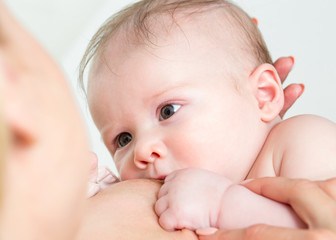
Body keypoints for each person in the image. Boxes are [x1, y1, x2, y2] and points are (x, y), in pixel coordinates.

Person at [2, 1, 336, 240]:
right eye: (123, 139)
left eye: (167, 111)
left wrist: (221, 205)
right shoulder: (172, 193)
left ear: (263, 94)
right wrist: (94, 195)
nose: (142, 151)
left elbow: (321, 222)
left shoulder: (300, 139)